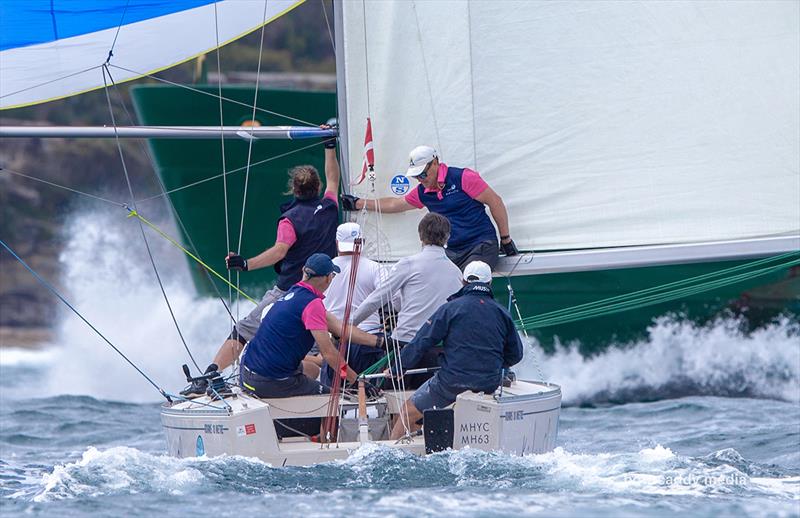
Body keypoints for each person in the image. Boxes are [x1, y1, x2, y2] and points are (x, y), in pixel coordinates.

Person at [182, 132, 341, 396]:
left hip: (290, 293)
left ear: (294, 189)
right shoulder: (329, 207)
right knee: (314, 345)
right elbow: (333, 178)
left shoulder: (290, 219)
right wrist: (329, 146)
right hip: (326, 291)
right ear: (318, 187)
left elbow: (279, 251)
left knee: (243, 331)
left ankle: (210, 376)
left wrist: (245, 264)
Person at [384, 260, 524, 440]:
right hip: (488, 384)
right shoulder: (502, 313)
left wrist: (397, 368)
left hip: (451, 383)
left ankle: (394, 453)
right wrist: (494, 364)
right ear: (489, 284)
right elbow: (516, 354)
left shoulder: (450, 309)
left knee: (406, 413)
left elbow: (422, 341)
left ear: (463, 282)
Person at [341, 145, 518, 270]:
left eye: (423, 173)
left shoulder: (463, 177)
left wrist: (506, 239)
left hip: (481, 244)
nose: (421, 179)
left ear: (435, 163)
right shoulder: (423, 191)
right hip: (452, 250)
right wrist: (358, 203)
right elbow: (396, 204)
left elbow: (496, 202)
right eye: (416, 176)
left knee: (469, 285)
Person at [239, 253, 382, 399]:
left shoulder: (295, 292)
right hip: (270, 380)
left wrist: (380, 342)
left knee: (312, 370)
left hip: (247, 374)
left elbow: (341, 329)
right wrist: (356, 380)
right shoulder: (312, 304)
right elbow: (329, 354)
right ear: (328, 278)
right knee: (336, 398)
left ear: (303, 272)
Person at [351, 212, 463, 388]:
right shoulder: (456, 272)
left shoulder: (409, 264)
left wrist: (350, 323)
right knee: (430, 408)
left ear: (420, 236)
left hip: (405, 345)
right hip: (438, 348)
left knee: (390, 403)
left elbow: (377, 298)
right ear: (447, 237)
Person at [318, 222, 388, 386]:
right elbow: (394, 297)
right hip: (368, 342)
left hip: (336, 345)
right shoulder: (375, 268)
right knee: (369, 392)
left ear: (337, 243)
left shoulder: (324, 271)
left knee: (333, 395)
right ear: (362, 242)